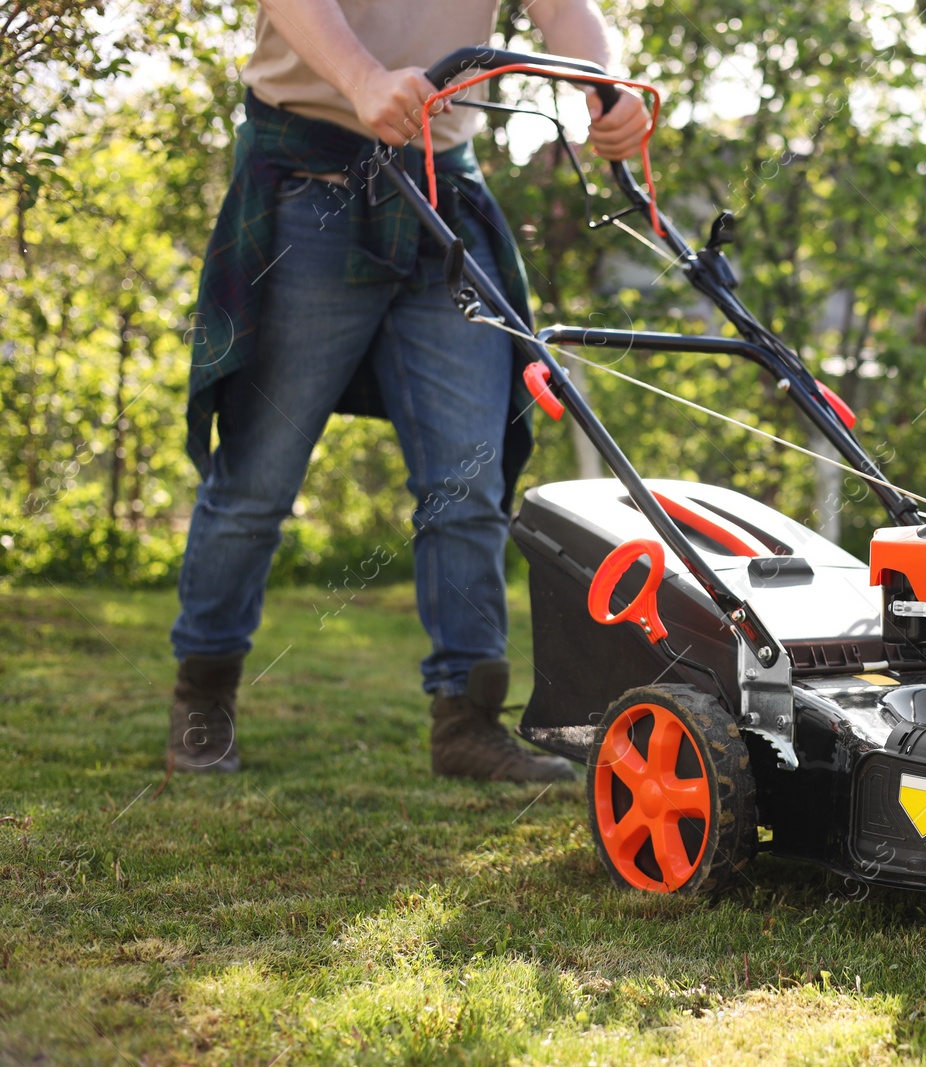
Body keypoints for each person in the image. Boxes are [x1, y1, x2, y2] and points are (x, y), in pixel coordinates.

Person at [168, 0, 648, 782]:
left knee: (467, 480)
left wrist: (605, 86)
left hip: (438, 197)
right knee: (256, 480)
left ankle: (467, 721)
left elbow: (563, 8)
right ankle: (202, 702)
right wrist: (360, 78)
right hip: (307, 187)